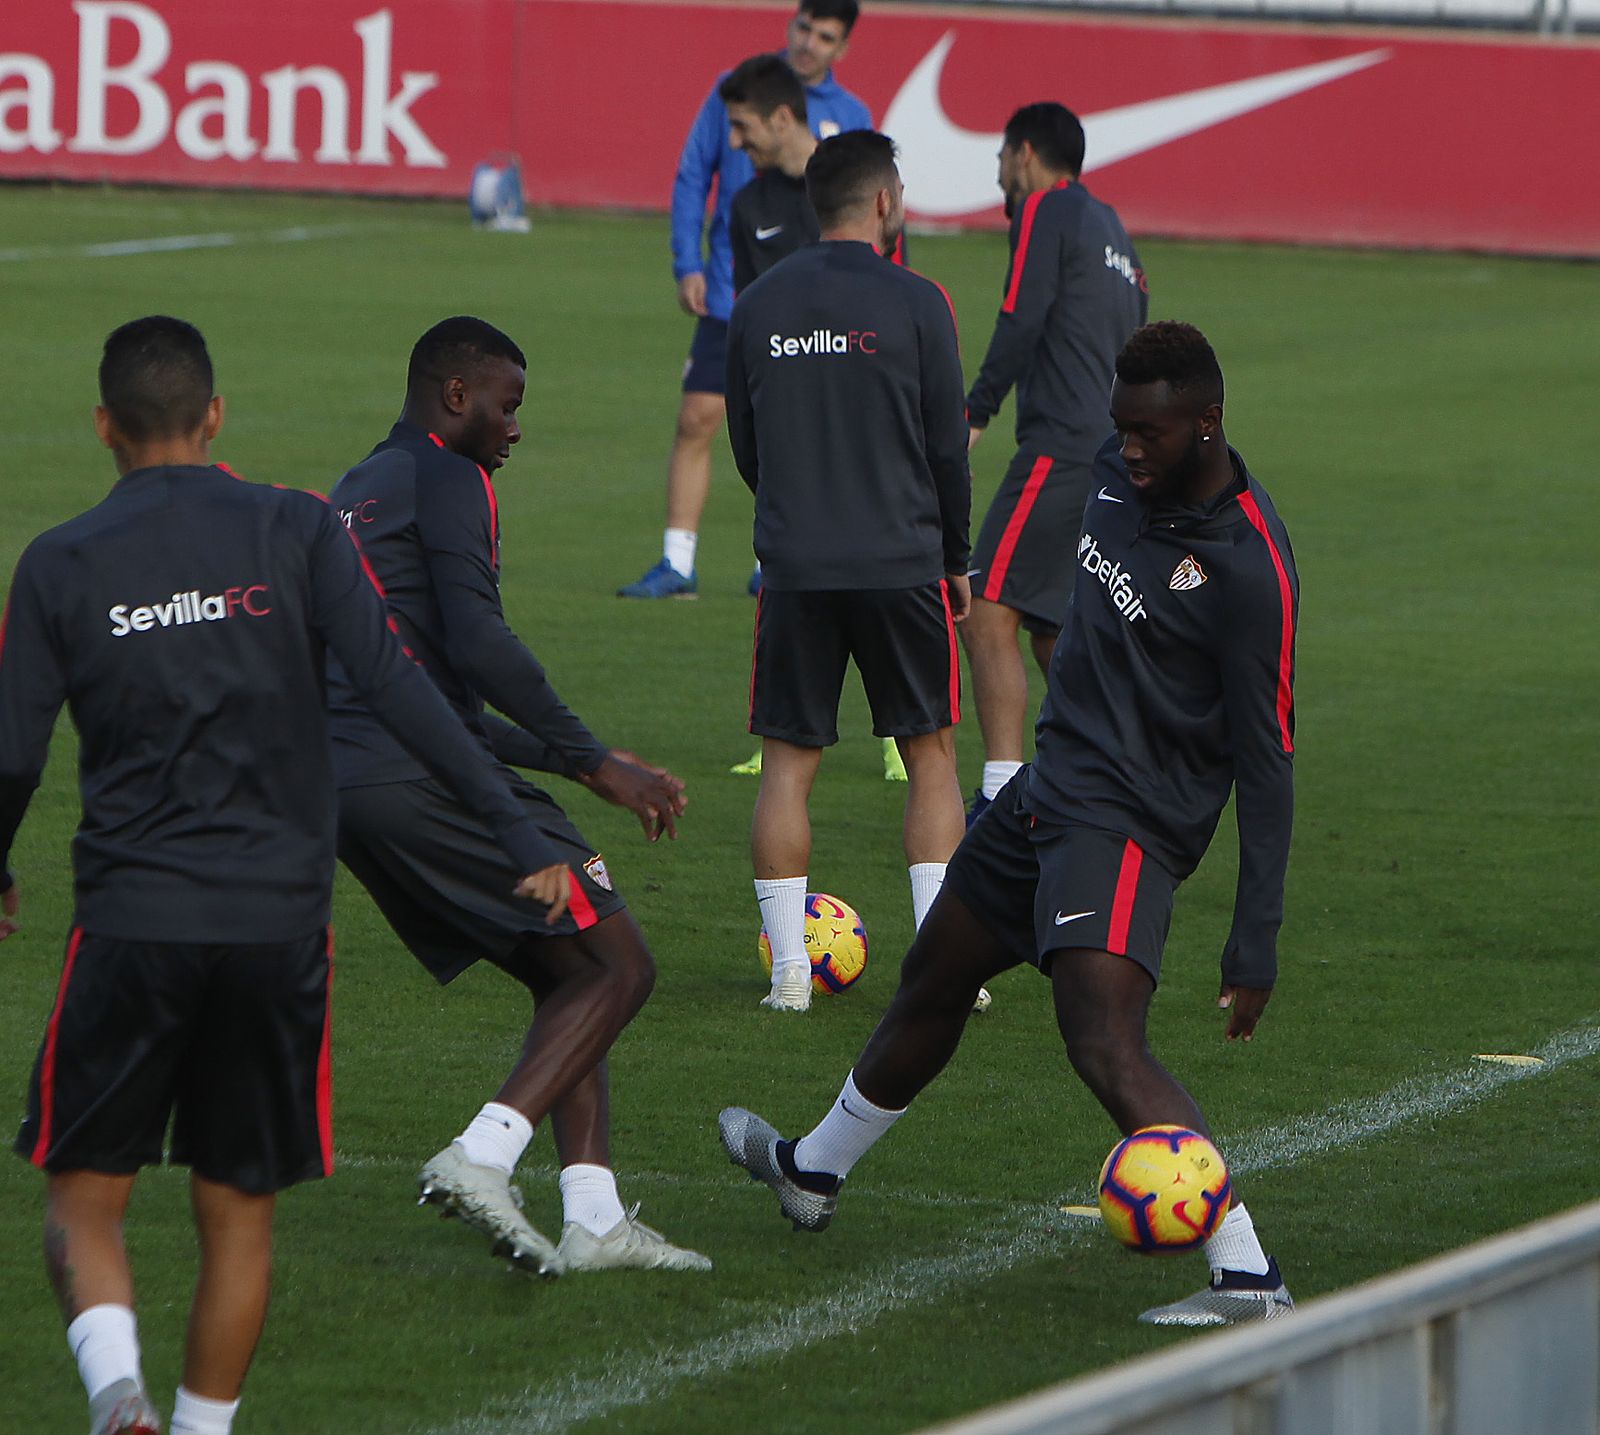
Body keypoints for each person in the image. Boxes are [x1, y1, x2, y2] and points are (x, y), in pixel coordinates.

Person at [0, 317, 567, 1435]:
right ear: (214, 416)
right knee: (237, 1221)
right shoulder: (299, 528)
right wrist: (519, 828)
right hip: (277, 929)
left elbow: (14, 754)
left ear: (105, 425)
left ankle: (117, 1394)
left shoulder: (59, 562)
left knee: (84, 1197)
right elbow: (409, 695)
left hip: (130, 922)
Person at [721, 321, 1301, 1327]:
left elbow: (1269, 759)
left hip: (1124, 826)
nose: (1126, 449)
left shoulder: (1249, 570)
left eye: (1150, 433)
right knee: (935, 974)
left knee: (1100, 1038)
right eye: (1119, 427)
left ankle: (1248, 1274)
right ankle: (813, 1170)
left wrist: (1255, 936)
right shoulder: (1112, 479)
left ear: (1207, 422)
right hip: (1043, 794)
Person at [328, 317, 709, 1275]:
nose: (515, 427)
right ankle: (482, 1154)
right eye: (508, 403)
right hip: (420, 774)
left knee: (568, 974)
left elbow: (417, 682)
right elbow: (479, 648)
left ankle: (594, 1217)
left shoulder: (358, 490)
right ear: (457, 396)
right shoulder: (455, 477)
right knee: (620, 965)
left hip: (351, 780)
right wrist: (592, 763)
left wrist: (561, 753)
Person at [725, 132, 971, 1012]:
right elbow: (947, 445)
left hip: (796, 565)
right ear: (883, 203)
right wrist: (956, 558)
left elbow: (746, 445)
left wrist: (797, 513)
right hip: (903, 559)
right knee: (931, 754)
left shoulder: (757, 302)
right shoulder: (919, 300)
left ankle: (790, 972)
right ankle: (941, 972)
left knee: (788, 762)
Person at [618, 0, 871, 601]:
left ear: (843, 49)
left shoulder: (851, 115)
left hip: (815, 305)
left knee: (798, 427)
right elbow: (693, 173)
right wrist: (687, 263)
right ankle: (677, 561)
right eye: (804, 28)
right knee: (698, 418)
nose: (809, 43)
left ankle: (781, 556)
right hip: (732, 291)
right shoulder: (737, 93)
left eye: (825, 36)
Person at [719, 52, 908, 786]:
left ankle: (899, 735)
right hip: (794, 429)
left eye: (742, 128)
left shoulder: (851, 192)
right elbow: (745, 329)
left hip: (863, 413)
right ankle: (777, 735)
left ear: (781, 116)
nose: (736, 143)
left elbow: (898, 292)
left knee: (877, 574)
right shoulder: (747, 208)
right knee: (791, 579)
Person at [963, 103, 1148, 824]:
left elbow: (1021, 312)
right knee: (1052, 628)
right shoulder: (1117, 233)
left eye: (1004, 158)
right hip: (1109, 450)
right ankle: (1121, 770)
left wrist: (976, 408)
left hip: (1061, 444)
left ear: (1027, 154)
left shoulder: (1045, 209)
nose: (1001, 174)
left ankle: (1001, 794)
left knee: (983, 606)